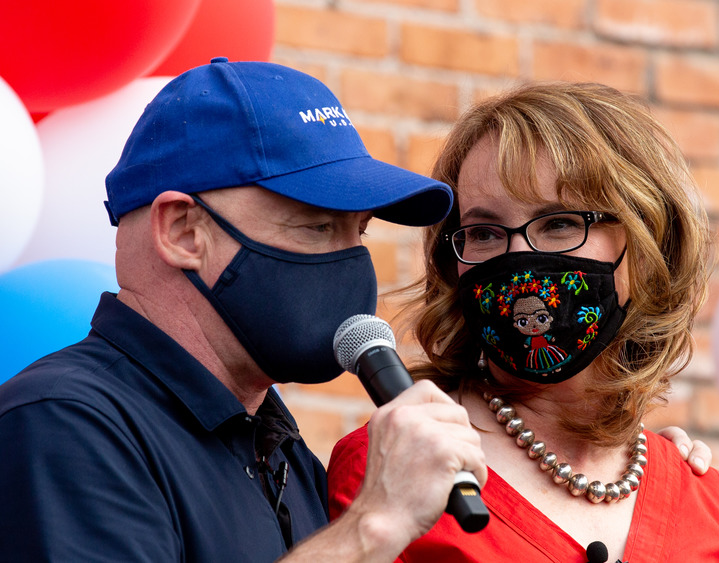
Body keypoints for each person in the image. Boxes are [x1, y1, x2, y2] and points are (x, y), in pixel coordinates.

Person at [0, 58, 488, 562]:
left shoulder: (284, 454)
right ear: (184, 231)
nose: (350, 263)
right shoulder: (66, 423)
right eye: (317, 226)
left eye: (358, 231)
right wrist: (371, 527)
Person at [327, 82, 719, 561]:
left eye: (558, 223)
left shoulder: (706, 504)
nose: (518, 258)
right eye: (483, 232)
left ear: (647, 246)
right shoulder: (392, 475)